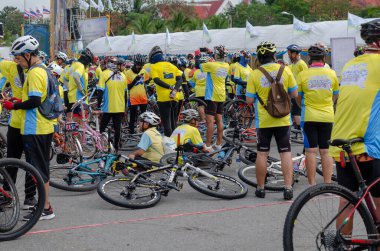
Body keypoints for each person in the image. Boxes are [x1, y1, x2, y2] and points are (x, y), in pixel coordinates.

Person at [329, 19, 380, 236]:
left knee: (347, 200)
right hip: (368, 144)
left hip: (341, 144)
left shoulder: (351, 64)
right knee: (378, 201)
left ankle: (342, 244)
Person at [6, 35, 55, 220]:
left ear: (28, 55)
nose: (18, 62)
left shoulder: (34, 73)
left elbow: (34, 101)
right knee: (39, 169)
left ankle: (45, 208)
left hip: (36, 127)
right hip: (42, 126)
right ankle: (44, 206)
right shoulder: (42, 69)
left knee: (39, 171)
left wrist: (15, 106)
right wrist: (18, 100)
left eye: (19, 59)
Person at [246, 41, 298, 200]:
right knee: (285, 153)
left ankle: (260, 188)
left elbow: (248, 100)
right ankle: (288, 188)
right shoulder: (286, 70)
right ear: (274, 56)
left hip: (264, 120)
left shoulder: (255, 74)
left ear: (259, 58)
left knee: (262, 153)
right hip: (283, 119)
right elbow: (295, 94)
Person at [296, 44, 339, 186]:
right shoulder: (332, 73)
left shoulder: (302, 74)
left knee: (310, 151)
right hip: (327, 116)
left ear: (309, 58)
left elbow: (298, 97)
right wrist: (327, 105)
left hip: (309, 116)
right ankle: (327, 184)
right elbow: (335, 95)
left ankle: (312, 185)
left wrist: (301, 106)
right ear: (324, 58)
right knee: (326, 152)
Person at [200, 45, 229, 151]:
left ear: (216, 54)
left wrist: (204, 53)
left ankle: (207, 144)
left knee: (210, 121)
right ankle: (218, 143)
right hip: (221, 95)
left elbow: (199, 65)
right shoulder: (226, 65)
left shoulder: (212, 65)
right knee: (219, 120)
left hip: (211, 95)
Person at [149, 46, 183, 136]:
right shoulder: (172, 66)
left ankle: (169, 144)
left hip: (163, 98)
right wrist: (174, 89)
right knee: (173, 121)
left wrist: (169, 87)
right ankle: (175, 141)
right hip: (175, 96)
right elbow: (180, 80)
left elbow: (156, 80)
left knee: (166, 122)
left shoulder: (154, 66)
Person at [96, 56, 128, 152]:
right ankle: (116, 148)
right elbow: (125, 94)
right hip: (120, 107)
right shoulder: (123, 76)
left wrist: (98, 106)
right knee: (117, 128)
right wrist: (125, 108)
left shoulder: (104, 74)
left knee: (102, 128)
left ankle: (99, 147)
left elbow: (100, 92)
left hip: (108, 107)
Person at [67, 48, 94, 121]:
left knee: (76, 120)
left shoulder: (74, 64)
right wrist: (81, 89)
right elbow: (76, 76)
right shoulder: (81, 66)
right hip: (79, 97)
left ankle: (76, 133)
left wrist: (69, 88)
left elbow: (65, 79)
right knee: (83, 121)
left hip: (72, 96)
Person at [125, 54, 148, 134]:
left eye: (141, 66)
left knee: (144, 117)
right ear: (135, 64)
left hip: (143, 98)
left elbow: (147, 80)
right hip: (133, 99)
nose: (140, 67)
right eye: (139, 66)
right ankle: (131, 132)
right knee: (132, 117)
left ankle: (144, 132)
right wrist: (135, 80)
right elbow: (128, 87)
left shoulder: (143, 71)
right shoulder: (128, 73)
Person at [287, 44, 307, 130]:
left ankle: (300, 129)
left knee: (297, 112)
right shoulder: (293, 64)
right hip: (294, 92)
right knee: (295, 112)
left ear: (294, 54)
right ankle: (298, 128)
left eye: (289, 53)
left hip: (299, 92)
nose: (288, 55)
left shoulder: (301, 64)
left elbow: (306, 77)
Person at [191, 53, 209, 124]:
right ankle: (208, 120)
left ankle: (203, 119)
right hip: (207, 91)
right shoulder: (208, 72)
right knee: (207, 105)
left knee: (200, 106)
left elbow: (192, 82)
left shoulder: (196, 72)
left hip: (198, 91)